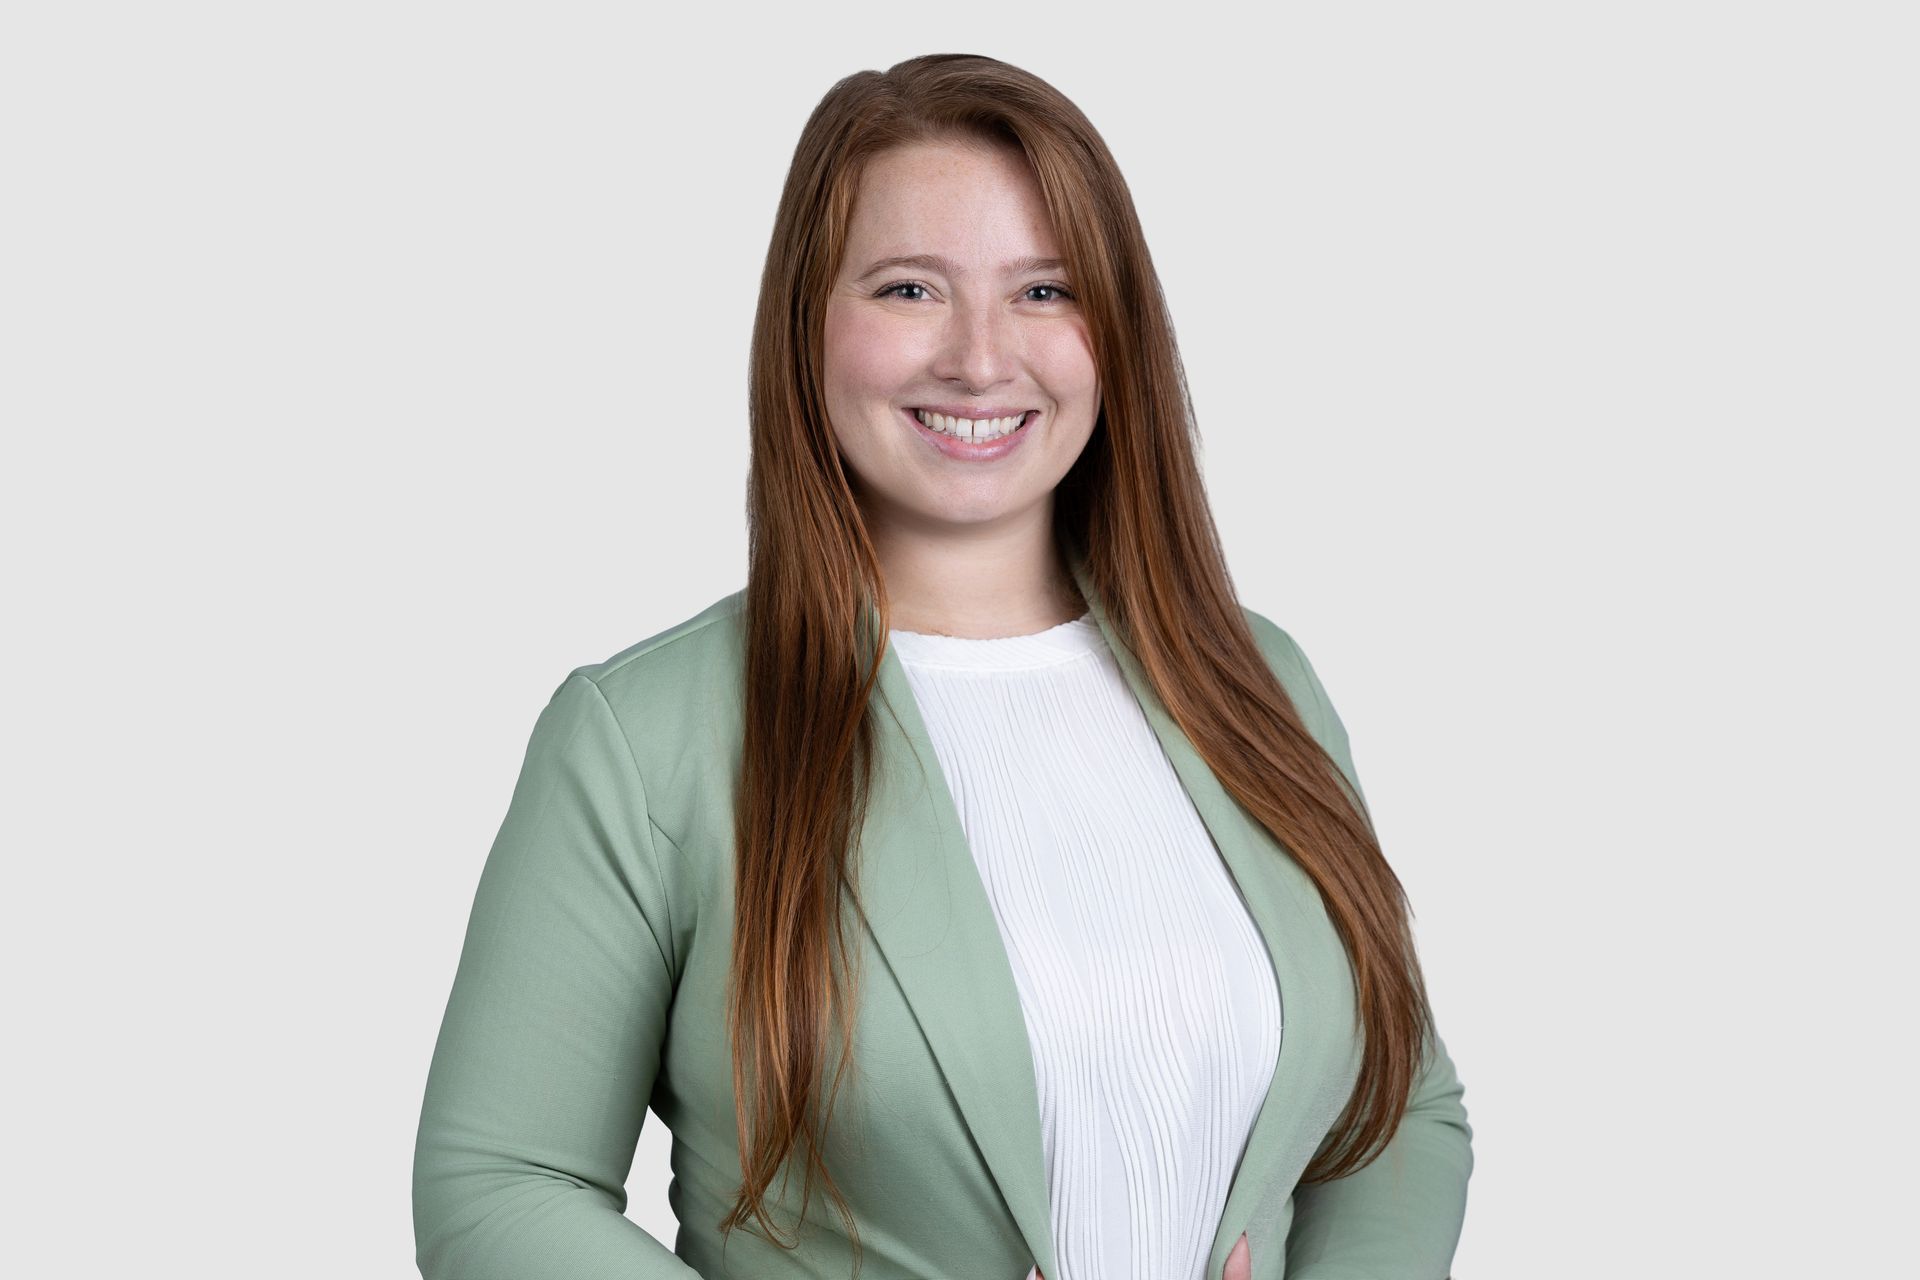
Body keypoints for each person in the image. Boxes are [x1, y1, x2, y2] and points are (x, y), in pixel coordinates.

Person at [412, 52, 1472, 1280]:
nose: (979, 358)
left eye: (1045, 290)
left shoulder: (1257, 678)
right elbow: (498, 1184)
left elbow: (1399, 1111)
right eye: (911, 288)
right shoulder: (644, 738)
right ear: (808, 321)